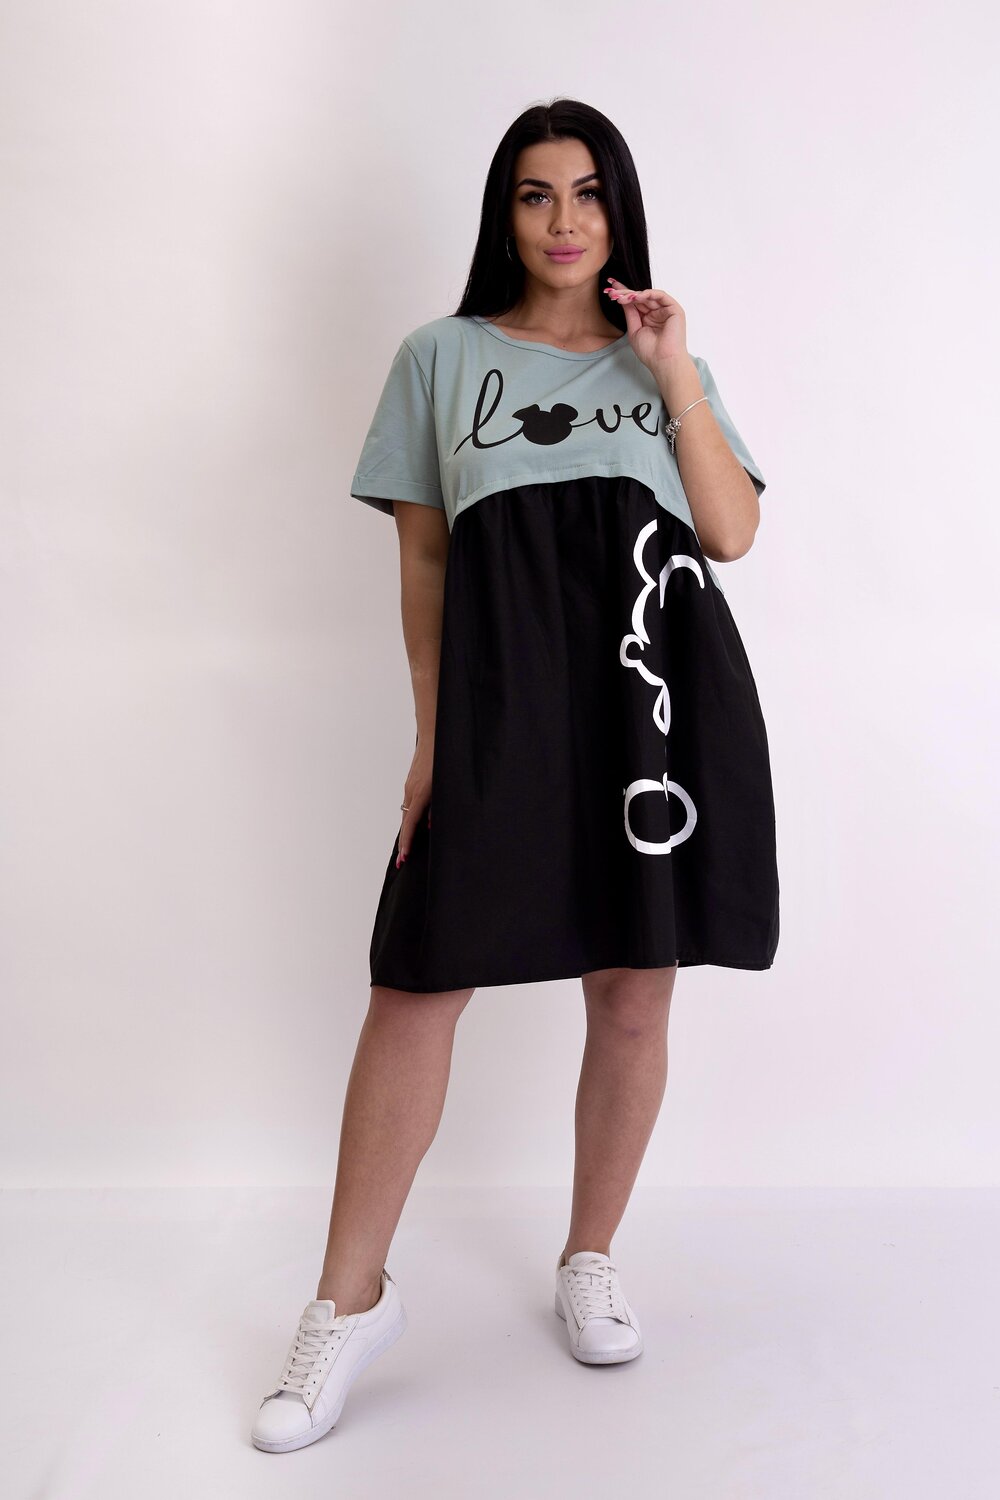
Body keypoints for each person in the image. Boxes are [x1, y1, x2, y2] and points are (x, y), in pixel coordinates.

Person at [251, 96, 779, 1455]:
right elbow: (426, 561)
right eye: (536, 194)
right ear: (505, 214)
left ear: (620, 211)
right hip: (501, 706)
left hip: (654, 708)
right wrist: (436, 739)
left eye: (588, 193)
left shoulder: (667, 365)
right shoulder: (439, 358)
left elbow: (728, 533)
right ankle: (346, 1303)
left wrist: (673, 366)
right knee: (415, 985)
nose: (563, 220)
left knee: (635, 988)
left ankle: (589, 1255)